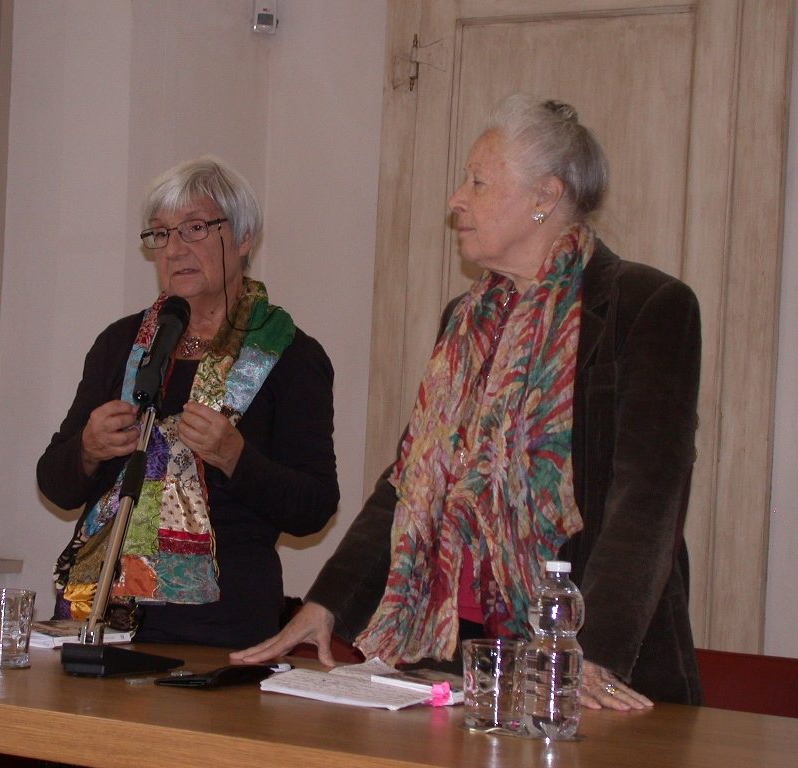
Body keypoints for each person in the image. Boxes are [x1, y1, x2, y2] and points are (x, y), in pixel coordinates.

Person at [234, 95, 702, 710]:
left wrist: (591, 656)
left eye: (479, 182)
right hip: (460, 657)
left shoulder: (647, 307)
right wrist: (326, 604)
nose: (456, 199)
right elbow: (409, 480)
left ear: (545, 196)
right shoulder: (466, 320)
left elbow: (647, 505)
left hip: (585, 663)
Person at [37, 156, 339, 649]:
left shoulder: (291, 357)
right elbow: (55, 482)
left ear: (243, 239)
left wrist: (235, 459)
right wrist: (88, 449)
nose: (174, 249)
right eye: (160, 233)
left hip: (222, 629)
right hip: (99, 619)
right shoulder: (121, 344)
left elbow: (314, 508)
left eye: (194, 228)